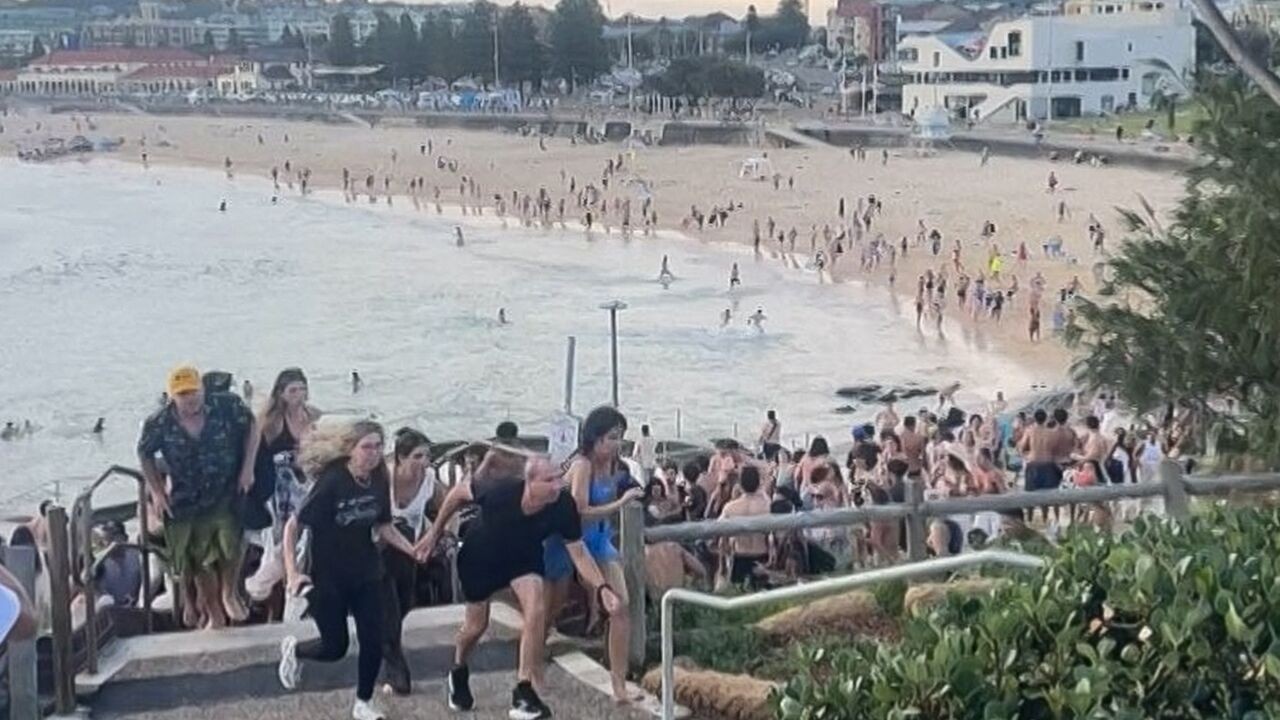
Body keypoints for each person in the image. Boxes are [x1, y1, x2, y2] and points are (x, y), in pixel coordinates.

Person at [420, 451, 624, 719]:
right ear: (530, 482)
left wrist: (602, 588)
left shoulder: (562, 505)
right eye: (549, 480)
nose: (557, 485)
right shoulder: (500, 492)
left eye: (557, 479)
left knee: (537, 606)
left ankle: (523, 691)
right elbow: (457, 494)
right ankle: (458, 668)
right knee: (475, 627)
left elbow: (579, 552)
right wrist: (434, 534)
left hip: (524, 558)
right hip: (482, 557)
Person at [278, 420, 421, 720]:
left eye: (378, 447)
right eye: (366, 447)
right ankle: (295, 650)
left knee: (374, 637)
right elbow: (294, 526)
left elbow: (383, 525)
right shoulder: (333, 481)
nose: (373, 453)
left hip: (367, 570)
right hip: (329, 575)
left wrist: (411, 549)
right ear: (350, 450)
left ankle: (363, 702)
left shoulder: (380, 478)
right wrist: (292, 573)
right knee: (335, 647)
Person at [138, 365, 258, 629]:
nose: (190, 399)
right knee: (199, 557)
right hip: (187, 497)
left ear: (203, 390)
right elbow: (145, 454)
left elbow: (252, 425)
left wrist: (248, 467)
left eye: (194, 392)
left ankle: (229, 592)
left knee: (230, 544)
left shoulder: (226, 405)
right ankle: (213, 611)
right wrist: (157, 491)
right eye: (182, 395)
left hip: (225, 488)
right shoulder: (158, 423)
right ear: (172, 397)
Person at [543, 407, 644, 704]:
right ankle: (531, 666)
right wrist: (620, 504)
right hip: (568, 539)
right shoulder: (582, 465)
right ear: (595, 439)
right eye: (612, 437)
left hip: (599, 541)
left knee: (621, 605)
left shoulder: (614, 467)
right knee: (551, 607)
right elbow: (579, 512)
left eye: (620, 437)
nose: (617, 444)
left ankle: (619, 683)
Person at [245, 368, 320, 602]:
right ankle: (272, 576)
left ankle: (289, 576)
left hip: (306, 476)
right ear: (282, 393)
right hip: (279, 480)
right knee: (287, 526)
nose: (298, 395)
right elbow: (254, 452)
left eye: (302, 389)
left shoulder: (314, 416)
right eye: (293, 390)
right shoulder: (271, 421)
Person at [380, 428, 437, 695]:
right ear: (400, 458)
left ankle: (385, 645)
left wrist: (436, 535)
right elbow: (381, 525)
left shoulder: (429, 479)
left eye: (427, 455)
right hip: (377, 548)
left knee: (404, 605)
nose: (423, 462)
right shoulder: (384, 478)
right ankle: (397, 671)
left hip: (409, 551)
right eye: (417, 456)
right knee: (389, 607)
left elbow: (451, 503)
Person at [718, 466, 771, 589]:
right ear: (758, 484)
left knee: (739, 596)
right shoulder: (767, 506)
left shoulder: (730, 508)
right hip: (762, 555)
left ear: (740, 484)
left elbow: (722, 539)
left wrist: (722, 567)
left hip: (740, 556)